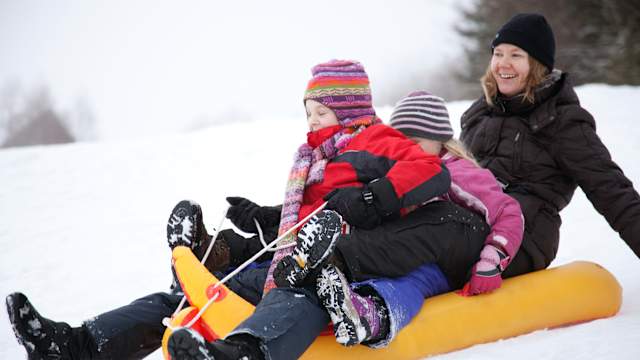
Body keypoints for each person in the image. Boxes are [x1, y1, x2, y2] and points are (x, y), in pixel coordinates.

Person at [167, 60, 455, 359]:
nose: (313, 121)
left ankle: (241, 351)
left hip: (344, 253)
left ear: (349, 113)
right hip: (301, 246)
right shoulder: (316, 157)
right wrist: (263, 215)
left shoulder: (373, 140)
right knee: (240, 277)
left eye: (322, 112)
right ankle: (209, 260)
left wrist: (370, 198)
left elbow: (429, 170)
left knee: (297, 288)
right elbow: (309, 211)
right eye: (308, 113)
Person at [279, 90, 524, 347]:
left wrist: (492, 259)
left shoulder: (458, 171)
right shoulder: (395, 175)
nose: (406, 149)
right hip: (418, 251)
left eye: (415, 141)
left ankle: (372, 314)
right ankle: (348, 306)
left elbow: (509, 212)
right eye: (400, 141)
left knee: (413, 282)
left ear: (441, 141)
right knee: (387, 266)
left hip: (458, 253)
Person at [459, 13, 640, 278]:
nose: (503, 64)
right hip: (468, 219)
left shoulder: (562, 121)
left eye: (516, 55)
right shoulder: (482, 111)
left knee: (439, 244)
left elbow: (612, 191)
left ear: (537, 64)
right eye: (498, 54)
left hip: (524, 235)